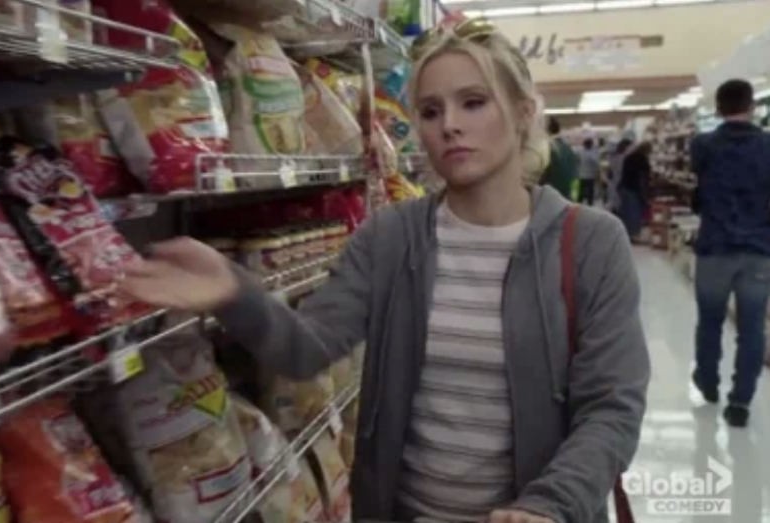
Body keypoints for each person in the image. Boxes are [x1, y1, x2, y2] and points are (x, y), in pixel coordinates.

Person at [119, 17, 649, 523]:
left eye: (473, 102)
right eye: (430, 110)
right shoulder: (390, 236)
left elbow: (611, 407)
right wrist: (234, 291)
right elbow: (308, 349)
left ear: (523, 111)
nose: (451, 126)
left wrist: (551, 503)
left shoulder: (592, 243)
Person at [690, 78, 770, 428]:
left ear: (718, 108)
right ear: (752, 106)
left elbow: (699, 186)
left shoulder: (703, 145)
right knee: (752, 328)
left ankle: (708, 382)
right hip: (758, 249)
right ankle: (740, 402)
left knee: (710, 321)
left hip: (714, 247)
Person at [618, 141, 652, 240]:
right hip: (634, 189)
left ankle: (625, 233)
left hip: (624, 187)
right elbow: (643, 178)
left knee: (625, 212)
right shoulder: (642, 159)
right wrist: (645, 194)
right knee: (635, 213)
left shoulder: (629, 157)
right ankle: (633, 235)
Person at [538, 116, 578, 200]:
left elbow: (541, 179)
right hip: (568, 199)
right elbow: (575, 177)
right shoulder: (568, 149)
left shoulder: (547, 148)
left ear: (546, 130)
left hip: (551, 200)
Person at [607, 138, 633, 213]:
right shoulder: (624, 157)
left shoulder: (614, 156)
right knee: (617, 201)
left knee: (615, 200)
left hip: (615, 181)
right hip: (619, 181)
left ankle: (615, 212)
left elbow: (610, 170)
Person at [577, 138, 600, 205]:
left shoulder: (581, 152)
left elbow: (577, 162)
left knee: (584, 192)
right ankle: (587, 203)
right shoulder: (593, 153)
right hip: (588, 176)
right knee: (588, 192)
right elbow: (596, 163)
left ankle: (582, 203)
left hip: (585, 175)